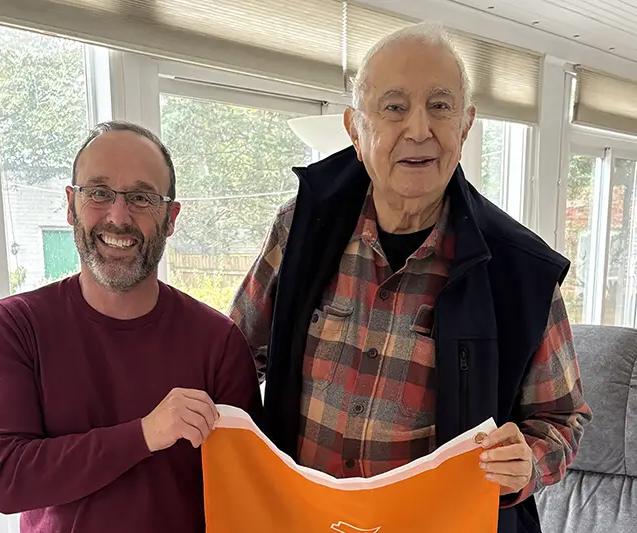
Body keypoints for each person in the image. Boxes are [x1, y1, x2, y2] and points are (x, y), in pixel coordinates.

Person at [229, 22, 591, 533]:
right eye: (394, 107)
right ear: (356, 129)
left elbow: (563, 419)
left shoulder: (522, 271)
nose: (419, 130)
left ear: (465, 126)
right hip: (301, 518)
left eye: (440, 106)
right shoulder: (300, 228)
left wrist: (528, 462)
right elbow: (237, 352)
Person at [0, 121, 262, 533]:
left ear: (171, 216)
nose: (118, 217)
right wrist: (145, 433)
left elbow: (247, 494)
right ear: (71, 204)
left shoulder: (218, 343)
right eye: (99, 193)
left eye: (142, 198)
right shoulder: (17, 326)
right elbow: (6, 479)